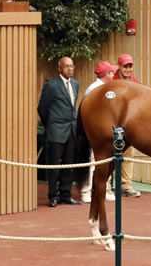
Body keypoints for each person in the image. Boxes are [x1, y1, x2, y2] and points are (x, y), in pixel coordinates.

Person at [37, 57, 81, 207]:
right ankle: (53, 197)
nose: (70, 69)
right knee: (54, 166)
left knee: (69, 164)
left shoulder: (75, 84)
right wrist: (50, 125)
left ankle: (66, 195)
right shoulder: (52, 85)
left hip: (71, 131)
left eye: (71, 66)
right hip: (56, 130)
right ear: (60, 69)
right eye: (66, 66)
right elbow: (42, 108)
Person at [81, 61, 119, 203]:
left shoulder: (104, 88)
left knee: (102, 161)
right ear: (106, 74)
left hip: (103, 131)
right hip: (94, 131)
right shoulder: (95, 89)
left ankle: (103, 188)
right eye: (111, 72)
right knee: (91, 161)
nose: (113, 75)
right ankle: (86, 190)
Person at [112, 53, 141, 198]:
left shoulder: (136, 82)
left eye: (130, 66)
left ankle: (126, 185)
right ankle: (105, 186)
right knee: (109, 155)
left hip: (129, 127)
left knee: (128, 155)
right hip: (112, 126)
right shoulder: (112, 81)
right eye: (125, 66)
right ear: (119, 67)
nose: (128, 69)